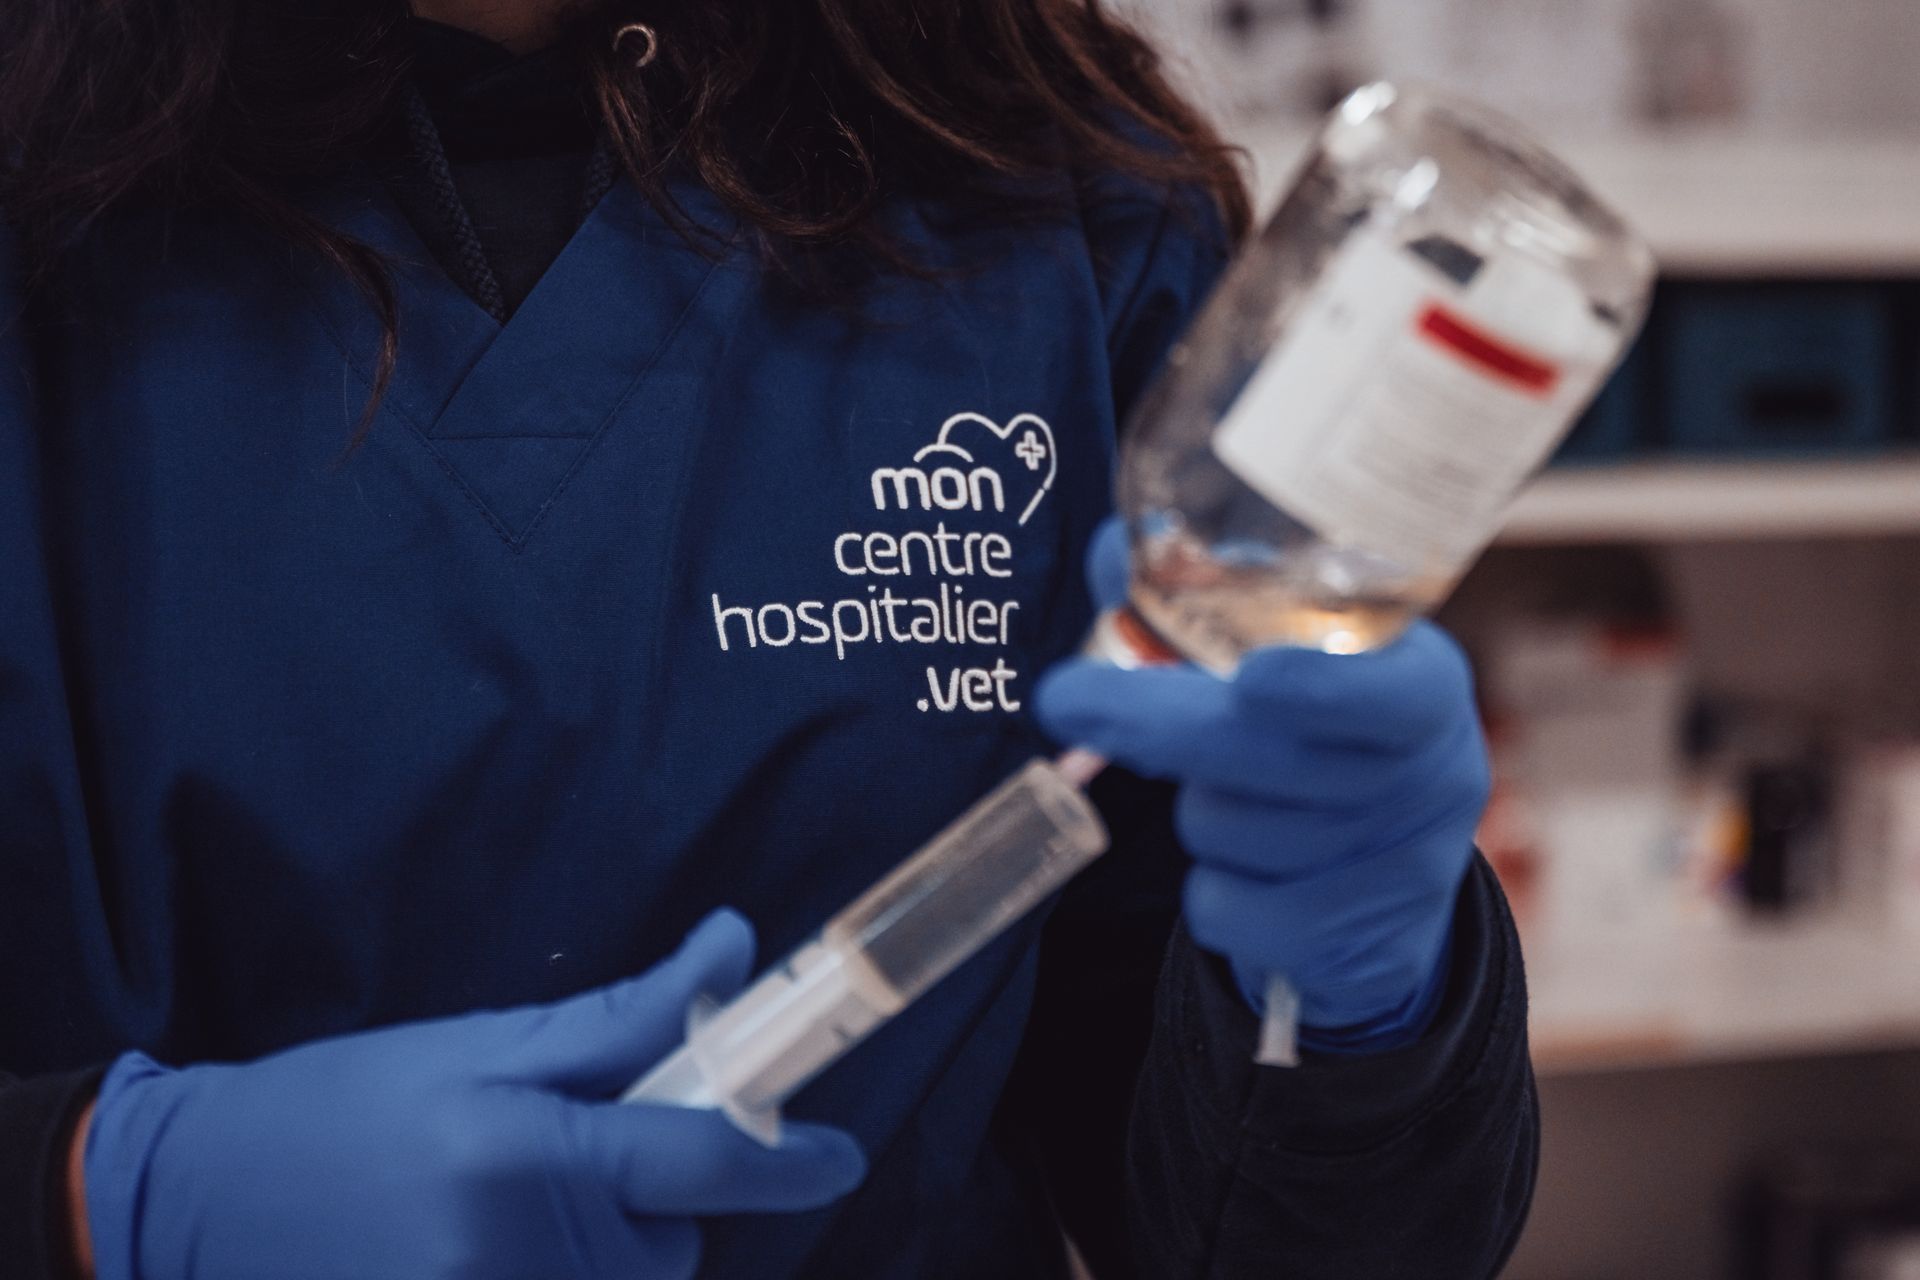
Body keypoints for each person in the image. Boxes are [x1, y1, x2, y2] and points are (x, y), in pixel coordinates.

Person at [0, 1, 1537, 1277]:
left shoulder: (1055, 201)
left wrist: (1356, 1011)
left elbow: (1260, 1239)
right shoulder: (46, 190)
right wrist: (91, 1191)